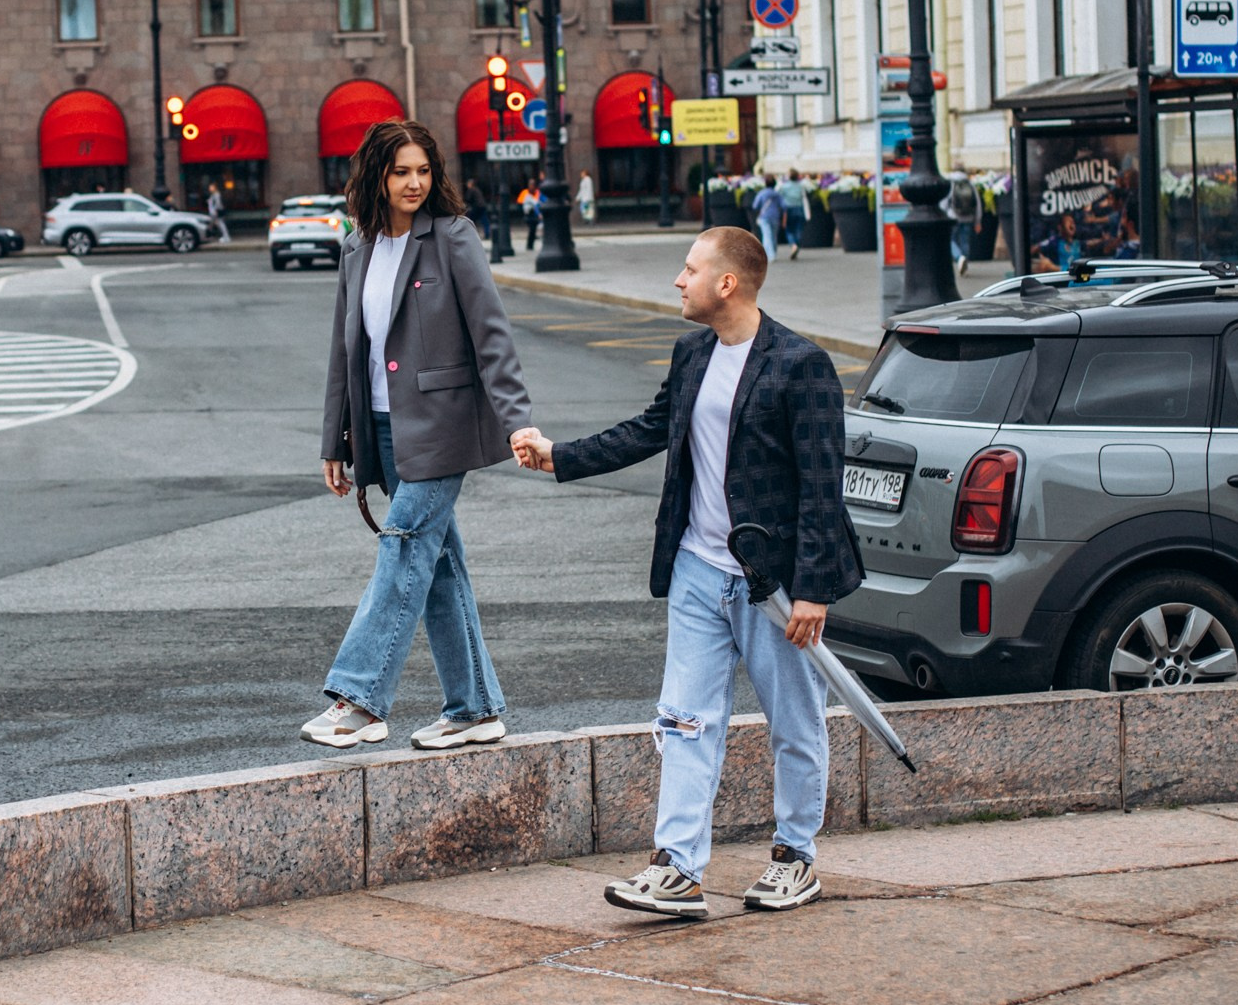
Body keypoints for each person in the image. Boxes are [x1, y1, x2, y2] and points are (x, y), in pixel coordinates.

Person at [511, 226, 863, 918]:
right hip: (700, 570)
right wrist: (560, 456)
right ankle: (677, 868)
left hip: (774, 584)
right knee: (685, 721)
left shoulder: (801, 365)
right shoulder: (693, 350)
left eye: (690, 268)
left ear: (726, 283)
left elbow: (824, 486)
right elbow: (651, 428)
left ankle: (795, 857)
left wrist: (814, 590)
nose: (679, 280)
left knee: (794, 721)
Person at [312, 119, 533, 752]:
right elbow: (344, 349)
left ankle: (360, 698)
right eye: (401, 171)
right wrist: (337, 439)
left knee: (404, 545)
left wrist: (518, 422)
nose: (414, 183)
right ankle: (475, 708)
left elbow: (492, 335)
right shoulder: (358, 245)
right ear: (376, 175)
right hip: (381, 427)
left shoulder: (453, 238)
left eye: (424, 171)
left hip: (442, 424)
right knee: (437, 565)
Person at [948, 170, 980, 276]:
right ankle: (964, 260)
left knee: (949, 240)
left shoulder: (951, 183)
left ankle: (959, 258)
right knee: (965, 241)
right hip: (968, 218)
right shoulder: (969, 183)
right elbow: (977, 203)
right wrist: (977, 221)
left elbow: (945, 202)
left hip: (953, 217)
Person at [749, 177, 788, 262]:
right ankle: (773, 252)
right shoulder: (777, 194)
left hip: (764, 216)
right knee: (773, 236)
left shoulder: (762, 193)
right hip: (775, 216)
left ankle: (770, 255)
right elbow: (784, 206)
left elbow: (755, 205)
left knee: (767, 235)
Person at [779, 169, 807, 259]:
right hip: (799, 209)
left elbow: (779, 197)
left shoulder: (784, 187)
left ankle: (793, 245)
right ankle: (797, 242)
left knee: (789, 230)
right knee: (798, 229)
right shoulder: (801, 186)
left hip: (788, 210)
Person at [521, 176, 543, 249]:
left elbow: (537, 203)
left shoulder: (537, 193)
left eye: (533, 184)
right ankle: (529, 245)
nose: (532, 186)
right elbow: (528, 205)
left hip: (533, 214)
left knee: (533, 230)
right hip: (530, 214)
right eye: (531, 184)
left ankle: (530, 245)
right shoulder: (527, 194)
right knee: (532, 230)